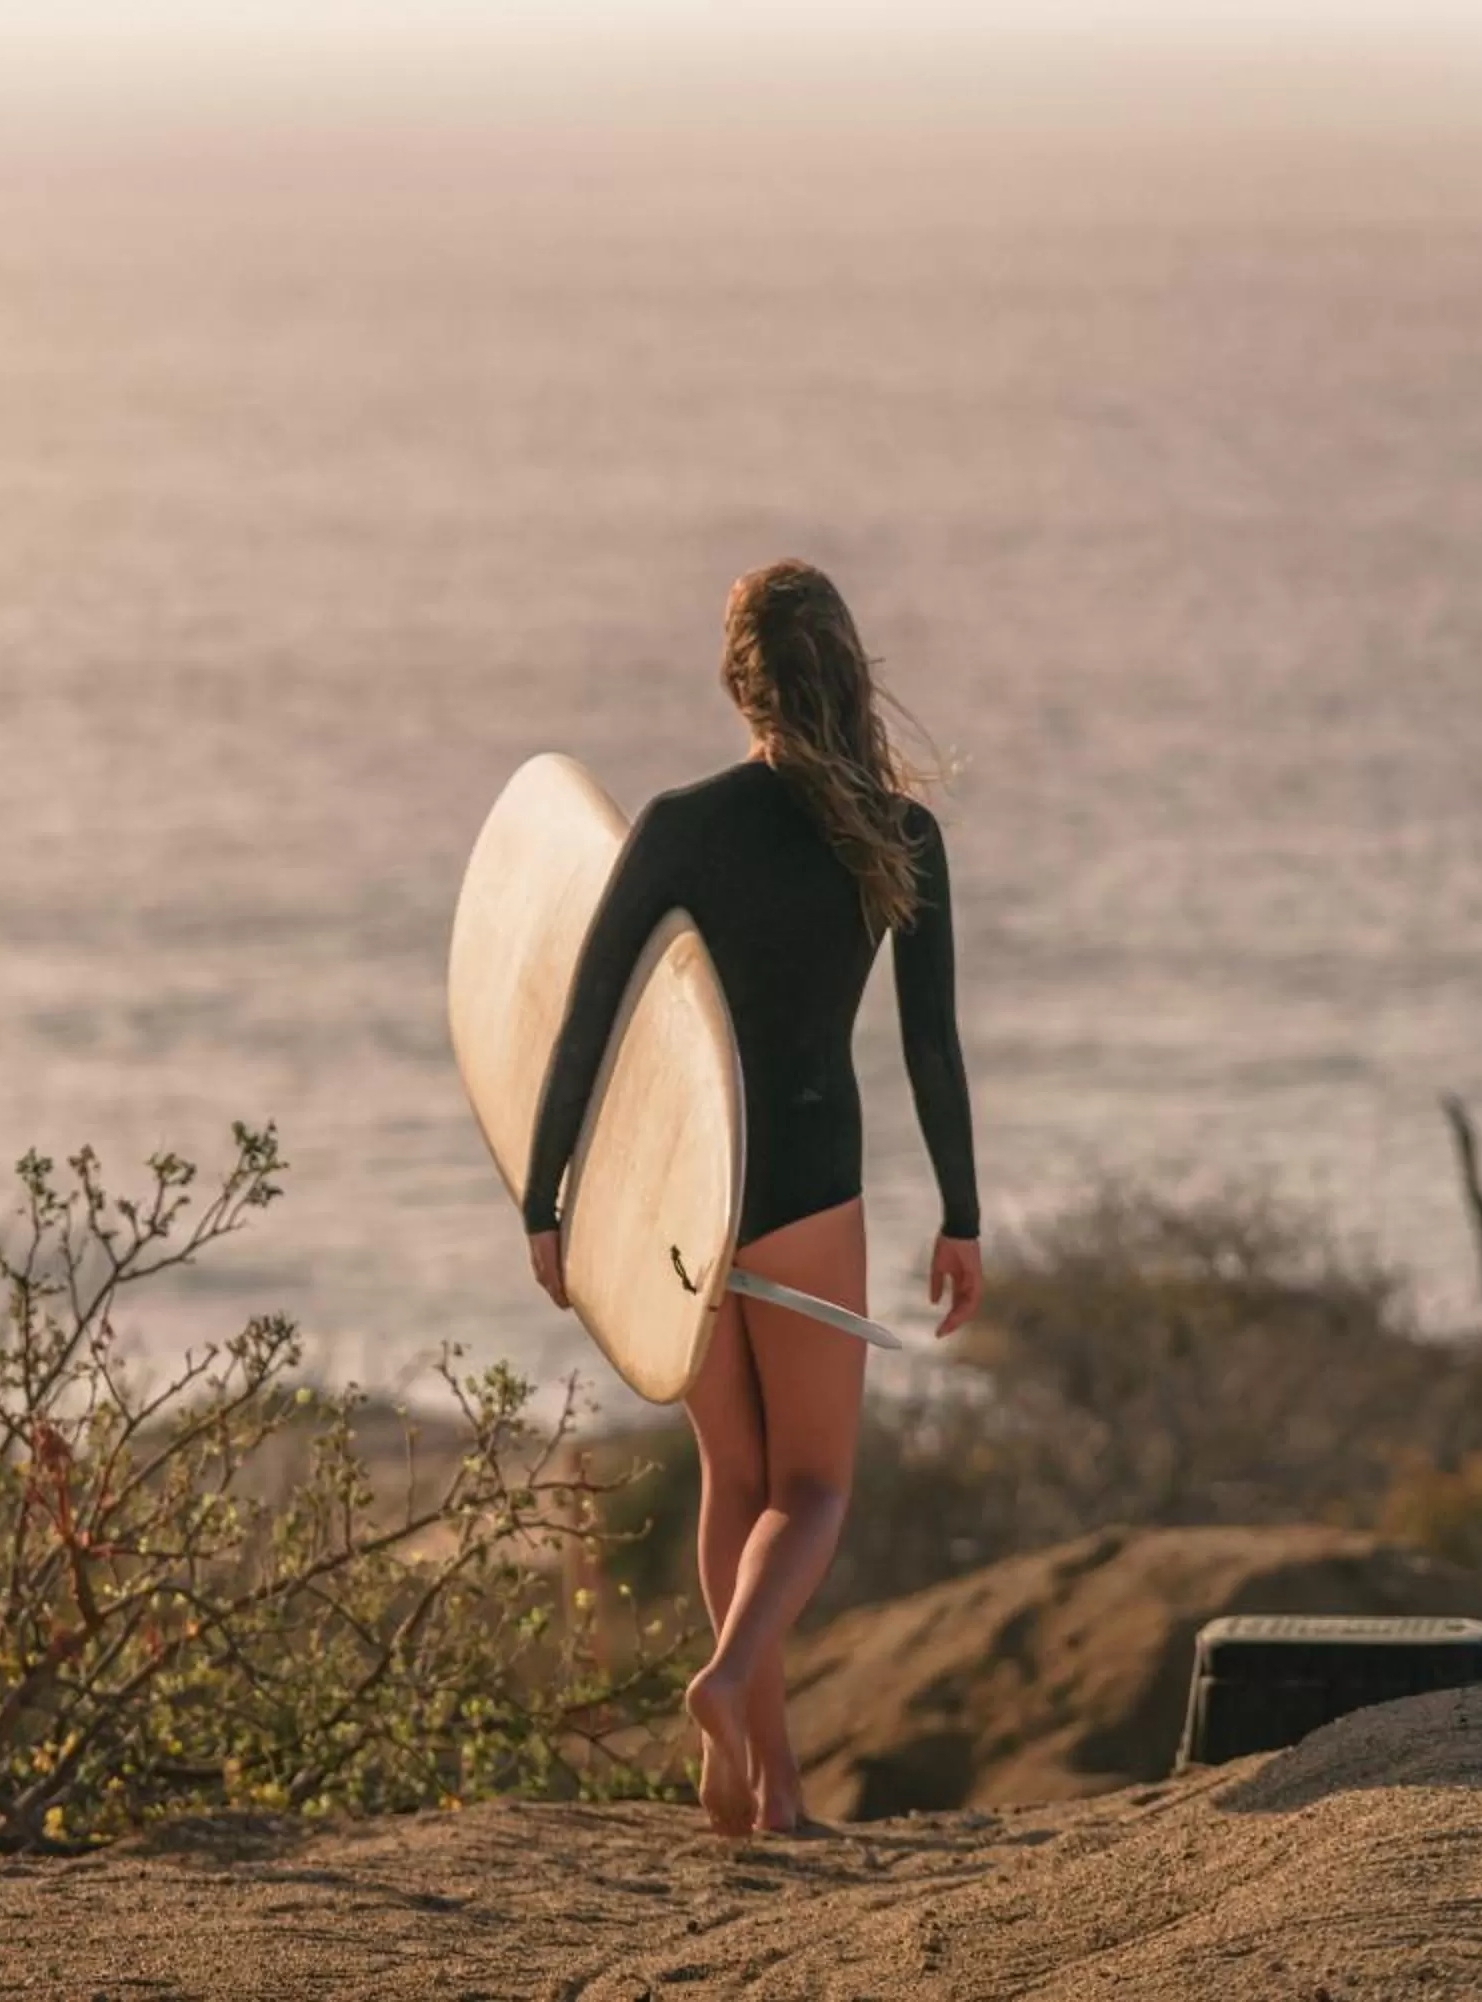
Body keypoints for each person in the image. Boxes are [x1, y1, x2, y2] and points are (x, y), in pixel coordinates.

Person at [520, 558, 984, 1838]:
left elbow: (583, 1020)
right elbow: (928, 1048)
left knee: (736, 1468)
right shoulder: (897, 835)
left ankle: (764, 1787)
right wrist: (963, 1214)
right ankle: (729, 1685)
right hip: (808, 1180)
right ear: (847, 670)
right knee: (816, 1486)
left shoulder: (679, 827)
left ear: (738, 680)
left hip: (683, 1197)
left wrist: (544, 1200)